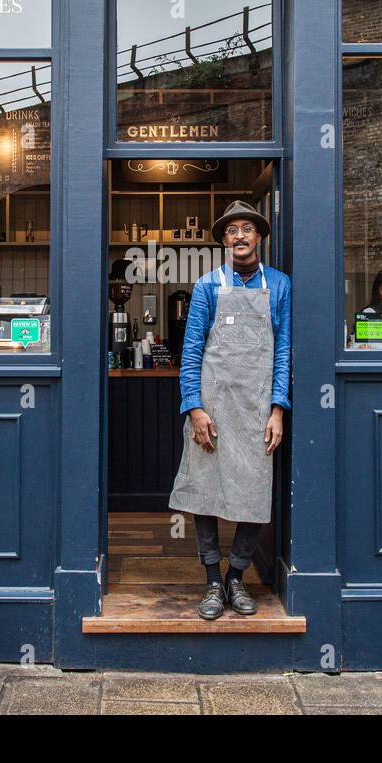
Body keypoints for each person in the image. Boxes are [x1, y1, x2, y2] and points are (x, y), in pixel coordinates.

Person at [170, 200, 290, 620]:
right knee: (205, 493)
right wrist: (195, 409)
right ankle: (211, 581)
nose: (240, 236)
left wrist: (278, 408)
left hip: (257, 408)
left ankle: (237, 575)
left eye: (247, 228)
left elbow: (284, 350)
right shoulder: (207, 286)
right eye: (232, 230)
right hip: (214, 406)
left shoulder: (279, 286)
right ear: (224, 240)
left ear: (259, 236)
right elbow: (190, 352)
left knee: (254, 490)